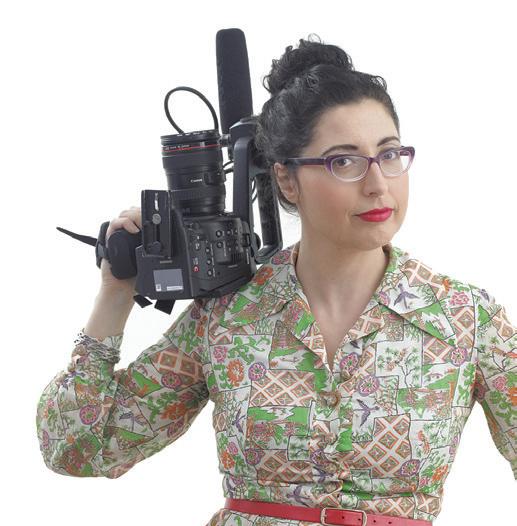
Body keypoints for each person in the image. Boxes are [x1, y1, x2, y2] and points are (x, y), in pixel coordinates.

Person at [35, 34, 516, 526]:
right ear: (287, 179)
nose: (378, 185)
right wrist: (115, 293)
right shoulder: (229, 315)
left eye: (390, 155)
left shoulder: (465, 319)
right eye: (344, 161)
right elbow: (75, 448)